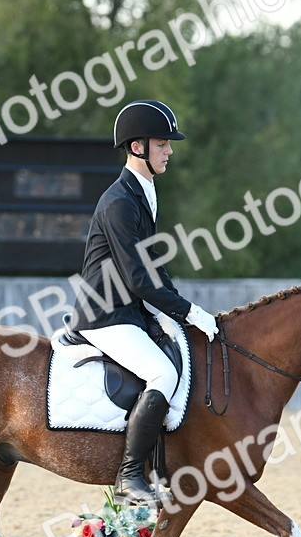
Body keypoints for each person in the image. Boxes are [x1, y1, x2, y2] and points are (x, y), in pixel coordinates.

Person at [68, 100, 219, 505]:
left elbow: (152, 267)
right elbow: (137, 277)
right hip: (106, 314)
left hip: (130, 309)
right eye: (162, 143)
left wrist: (182, 309)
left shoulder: (142, 192)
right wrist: (187, 311)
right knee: (162, 374)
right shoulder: (120, 201)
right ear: (138, 147)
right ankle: (130, 476)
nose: (169, 150)